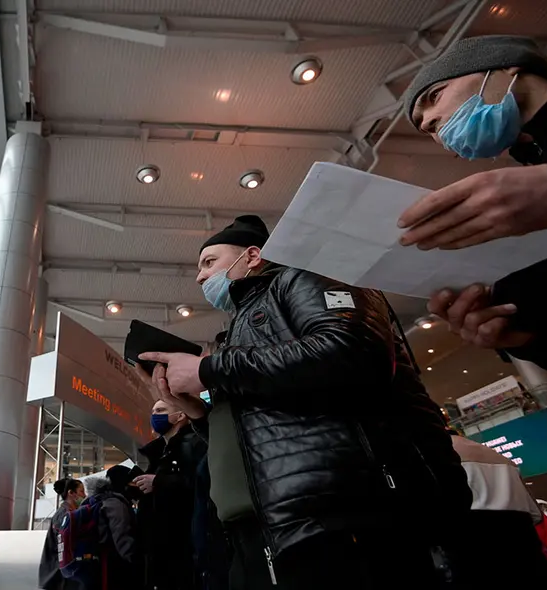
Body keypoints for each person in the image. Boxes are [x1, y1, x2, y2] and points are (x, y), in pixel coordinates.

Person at [138, 215, 472, 590]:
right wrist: (199, 412)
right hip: (272, 527)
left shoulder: (305, 276)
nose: (200, 277)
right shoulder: (237, 330)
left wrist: (210, 369)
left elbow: (352, 349)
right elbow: (257, 431)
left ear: (252, 255)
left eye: (209, 262)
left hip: (345, 514)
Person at [398, 35, 547, 371]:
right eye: (423, 128)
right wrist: (524, 337)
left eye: (434, 96)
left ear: (508, 64)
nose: (429, 123)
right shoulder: (536, 159)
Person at [448, 432, 547, 587]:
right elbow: (536, 515)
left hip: (480, 562)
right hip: (529, 557)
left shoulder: (435, 459)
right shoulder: (503, 459)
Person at [134, 399, 208, 590]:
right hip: (160, 553)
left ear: (180, 415)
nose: (154, 416)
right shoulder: (159, 454)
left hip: (184, 551)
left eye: (160, 410)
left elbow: (200, 485)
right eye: (153, 411)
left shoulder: (195, 445)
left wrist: (158, 482)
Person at [82, 476, 138, 590]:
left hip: (91, 561)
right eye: (131, 483)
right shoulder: (114, 503)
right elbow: (121, 536)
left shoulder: (89, 502)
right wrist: (136, 559)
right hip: (112, 564)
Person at [39, 478, 86, 590]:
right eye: (81, 491)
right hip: (60, 578)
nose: (84, 495)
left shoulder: (67, 514)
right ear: (71, 493)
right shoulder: (64, 516)